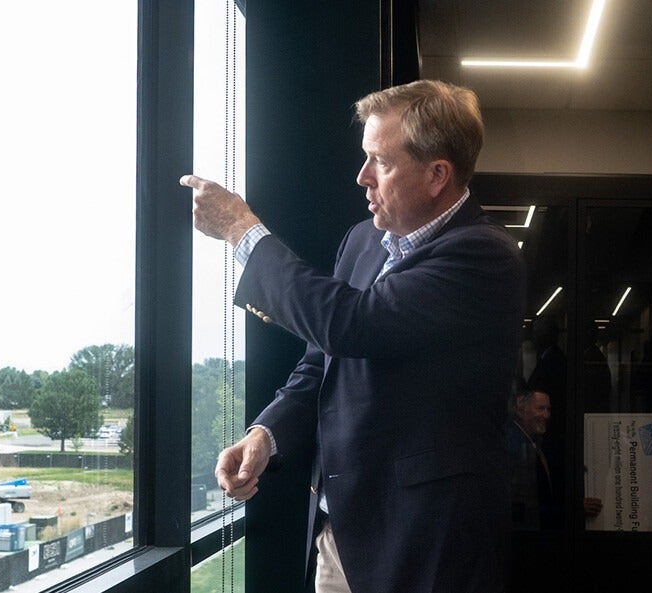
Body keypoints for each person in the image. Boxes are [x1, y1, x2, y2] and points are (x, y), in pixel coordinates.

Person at [183, 79, 525, 593]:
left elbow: (354, 323)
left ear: (438, 175)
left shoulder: (483, 257)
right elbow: (322, 358)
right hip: (336, 531)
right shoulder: (363, 240)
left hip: (425, 544)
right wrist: (267, 433)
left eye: (381, 163)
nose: (361, 177)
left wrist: (241, 231)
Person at [507, 387, 553, 530]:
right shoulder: (514, 445)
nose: (546, 415)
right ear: (520, 410)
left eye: (548, 409)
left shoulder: (531, 442)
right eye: (540, 408)